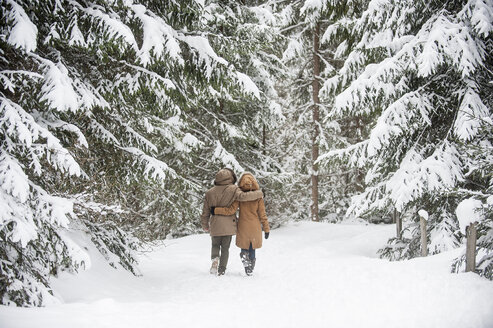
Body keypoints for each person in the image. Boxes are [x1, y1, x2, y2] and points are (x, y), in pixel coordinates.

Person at [200, 168, 263, 276]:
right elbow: (244, 196)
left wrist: (205, 224)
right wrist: (260, 193)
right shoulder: (234, 189)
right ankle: (222, 269)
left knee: (215, 245)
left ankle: (215, 259)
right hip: (228, 224)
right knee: (225, 248)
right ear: (231, 177)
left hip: (215, 224)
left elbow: (205, 211)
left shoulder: (209, 192)